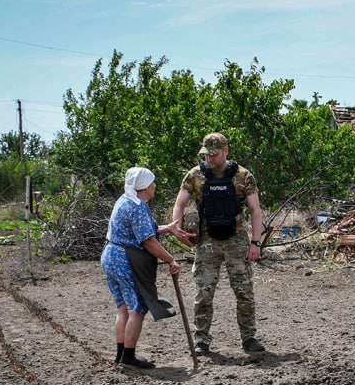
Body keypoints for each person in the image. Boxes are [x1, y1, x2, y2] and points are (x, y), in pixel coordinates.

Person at [170, 132, 265, 355]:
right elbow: (179, 204)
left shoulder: (243, 176)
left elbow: (255, 210)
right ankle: (201, 339)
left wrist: (256, 243)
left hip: (237, 241)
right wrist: (178, 229)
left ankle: (249, 338)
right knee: (203, 293)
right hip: (207, 242)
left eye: (214, 155)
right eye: (206, 155)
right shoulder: (195, 174)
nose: (210, 159)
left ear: (225, 151)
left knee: (244, 292)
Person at [101, 166, 192, 371]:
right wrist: (171, 260)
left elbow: (140, 231)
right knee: (137, 308)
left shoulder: (125, 200)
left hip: (110, 256)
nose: (154, 186)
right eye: (152, 183)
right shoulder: (138, 207)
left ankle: (120, 356)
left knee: (123, 308)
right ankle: (129, 357)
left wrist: (167, 228)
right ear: (144, 187)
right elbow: (148, 241)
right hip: (124, 259)